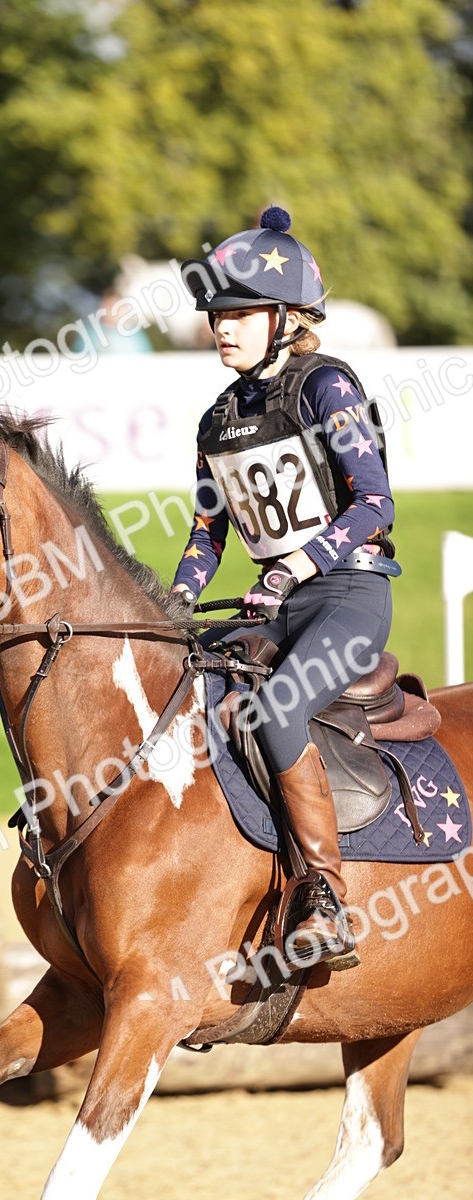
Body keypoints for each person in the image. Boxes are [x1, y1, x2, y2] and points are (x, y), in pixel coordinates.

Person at [172, 206, 400, 967]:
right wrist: (173, 601)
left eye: (238, 313)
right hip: (273, 604)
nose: (222, 328)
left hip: (347, 594)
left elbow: (376, 504)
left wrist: (299, 565)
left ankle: (324, 898)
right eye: (216, 315)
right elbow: (209, 534)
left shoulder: (327, 388)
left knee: (278, 708)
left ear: (285, 317)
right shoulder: (216, 421)